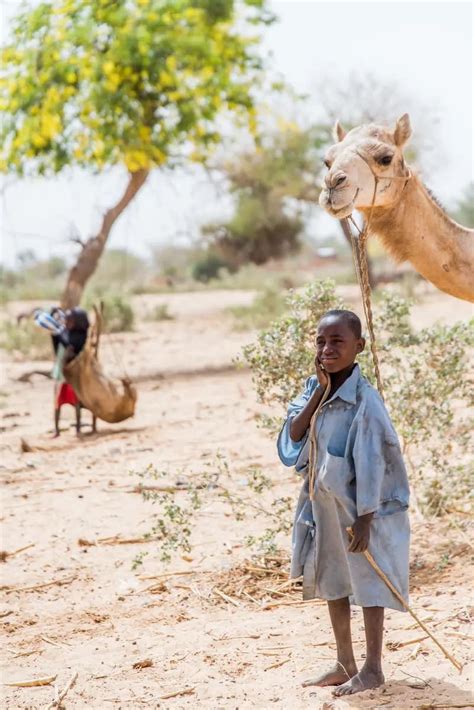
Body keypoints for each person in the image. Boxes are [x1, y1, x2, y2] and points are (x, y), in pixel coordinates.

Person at [277, 309, 410, 697]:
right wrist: (319, 390)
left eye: (337, 341)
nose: (327, 348)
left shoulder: (364, 401)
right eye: (321, 341)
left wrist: (367, 517)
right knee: (333, 578)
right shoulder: (312, 388)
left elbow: (377, 460)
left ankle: (372, 668)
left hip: (361, 510)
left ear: (359, 347)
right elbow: (292, 438)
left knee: (368, 583)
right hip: (323, 505)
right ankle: (344, 662)